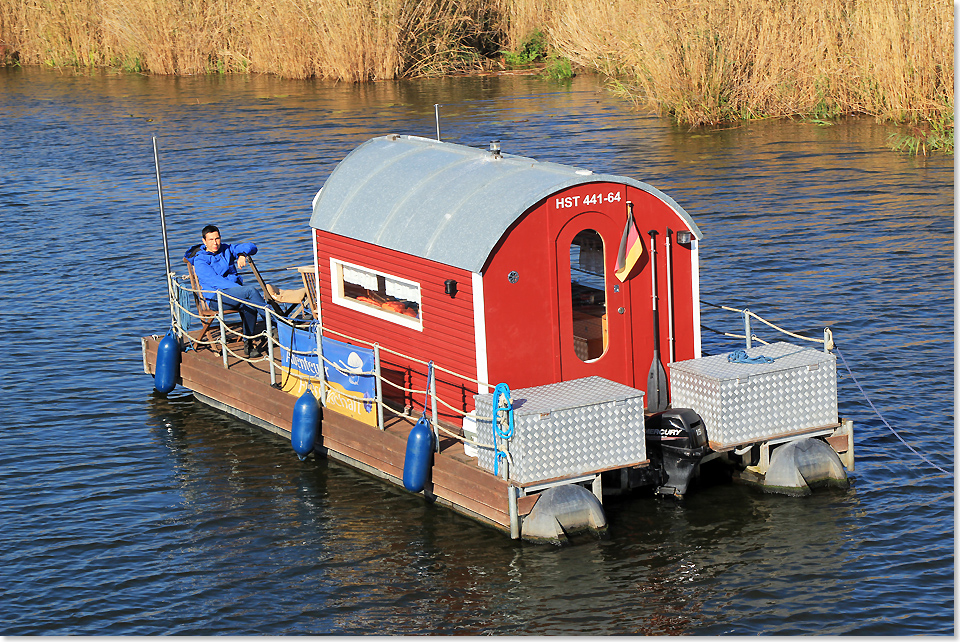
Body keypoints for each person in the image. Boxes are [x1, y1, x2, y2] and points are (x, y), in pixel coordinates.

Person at [184, 225, 267, 357]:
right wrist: (241, 290)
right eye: (211, 240)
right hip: (216, 299)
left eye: (217, 238)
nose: (215, 243)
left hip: (234, 294)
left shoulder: (226, 249)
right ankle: (276, 323)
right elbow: (216, 282)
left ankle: (249, 345)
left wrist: (242, 254)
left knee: (248, 302)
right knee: (250, 292)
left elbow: (252, 246)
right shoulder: (200, 260)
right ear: (204, 241)